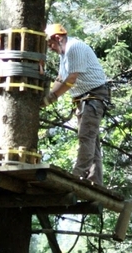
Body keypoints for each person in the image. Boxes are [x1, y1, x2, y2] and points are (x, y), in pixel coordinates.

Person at [42, 24, 110, 186]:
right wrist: (49, 96)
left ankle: (77, 176)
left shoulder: (74, 47)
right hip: (85, 99)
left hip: (93, 97)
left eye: (50, 44)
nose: (50, 48)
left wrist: (52, 97)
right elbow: (61, 78)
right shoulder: (64, 54)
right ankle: (95, 180)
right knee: (91, 140)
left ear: (57, 38)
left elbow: (71, 79)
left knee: (86, 137)